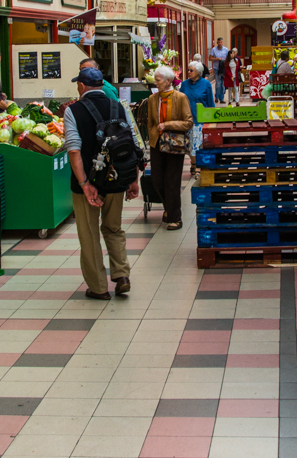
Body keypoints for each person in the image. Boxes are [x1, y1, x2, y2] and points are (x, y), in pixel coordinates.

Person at [63, 65, 141, 299]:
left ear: (81, 86)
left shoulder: (73, 111)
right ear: (101, 85)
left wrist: (85, 184)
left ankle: (98, 288)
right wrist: (133, 179)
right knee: (113, 228)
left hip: (87, 184)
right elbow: (133, 143)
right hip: (116, 179)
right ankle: (122, 275)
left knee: (89, 234)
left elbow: (74, 150)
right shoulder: (119, 107)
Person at [148, 65, 192, 228]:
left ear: (168, 81)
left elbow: (188, 122)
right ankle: (168, 208)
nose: (155, 83)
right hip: (157, 144)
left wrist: (167, 125)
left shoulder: (180, 98)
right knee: (157, 180)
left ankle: (175, 218)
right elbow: (150, 123)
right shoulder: (152, 99)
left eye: (158, 80)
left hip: (175, 144)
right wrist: (153, 137)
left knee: (172, 181)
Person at [180, 60, 214, 170]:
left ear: (199, 72)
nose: (189, 72)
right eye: (188, 70)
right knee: (189, 146)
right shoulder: (184, 84)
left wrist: (212, 120)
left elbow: (210, 103)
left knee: (198, 145)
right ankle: (193, 163)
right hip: (187, 120)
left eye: (191, 70)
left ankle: (197, 166)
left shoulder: (206, 84)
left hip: (200, 120)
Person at [208, 37, 228, 104]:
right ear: (217, 43)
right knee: (218, 83)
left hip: (223, 68)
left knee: (223, 83)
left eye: (221, 42)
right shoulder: (214, 49)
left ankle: (221, 98)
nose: (220, 43)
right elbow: (210, 58)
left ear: (222, 42)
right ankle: (217, 97)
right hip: (217, 68)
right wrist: (216, 59)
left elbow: (228, 58)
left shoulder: (226, 50)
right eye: (219, 42)